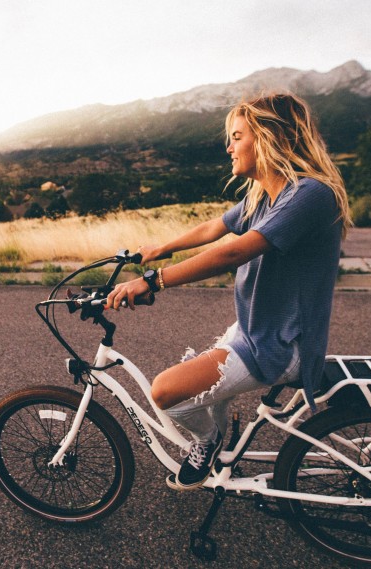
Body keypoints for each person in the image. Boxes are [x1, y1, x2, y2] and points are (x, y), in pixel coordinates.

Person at [105, 92, 352, 490]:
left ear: (270, 138)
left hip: (282, 344)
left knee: (165, 392)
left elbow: (233, 251)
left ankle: (208, 440)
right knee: (203, 385)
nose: (229, 147)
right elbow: (215, 228)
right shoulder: (264, 196)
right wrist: (161, 248)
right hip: (254, 330)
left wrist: (154, 280)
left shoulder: (309, 195)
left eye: (237, 136)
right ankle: (219, 443)